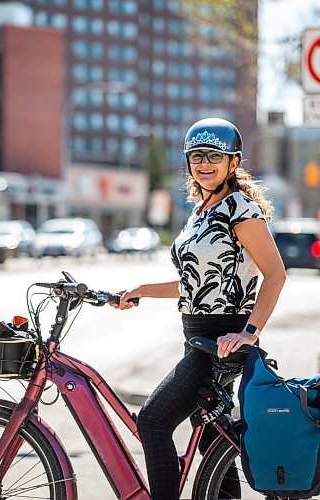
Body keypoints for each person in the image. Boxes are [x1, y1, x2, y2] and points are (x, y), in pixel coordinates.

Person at [111, 117, 286, 500]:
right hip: (198, 338)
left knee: (153, 421)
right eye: (196, 156)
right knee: (210, 437)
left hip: (221, 338)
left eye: (214, 156)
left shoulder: (240, 209)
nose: (204, 163)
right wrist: (141, 289)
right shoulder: (200, 211)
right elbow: (195, 284)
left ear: (233, 162)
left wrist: (249, 333)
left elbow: (275, 274)